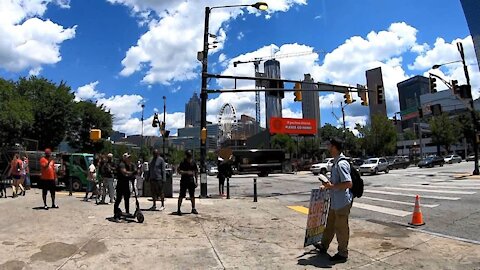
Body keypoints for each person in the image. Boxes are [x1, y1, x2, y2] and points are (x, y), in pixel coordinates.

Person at [314, 138, 352, 263]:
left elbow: (348, 183)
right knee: (329, 225)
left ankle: (343, 253)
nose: (328, 147)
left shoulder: (341, 164)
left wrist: (331, 187)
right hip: (335, 202)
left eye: (329, 145)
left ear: (334, 147)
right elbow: (335, 183)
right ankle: (324, 246)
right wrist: (326, 186)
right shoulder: (335, 162)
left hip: (342, 203)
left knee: (341, 228)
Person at [113, 153, 136, 220]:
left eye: (129, 158)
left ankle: (127, 212)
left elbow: (134, 169)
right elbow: (124, 172)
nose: (129, 159)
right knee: (119, 199)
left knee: (127, 198)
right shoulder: (121, 164)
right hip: (120, 184)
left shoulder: (129, 165)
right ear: (124, 158)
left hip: (126, 183)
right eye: (127, 158)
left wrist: (134, 172)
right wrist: (132, 173)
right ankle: (115, 213)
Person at [176, 150, 199, 215]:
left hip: (191, 180)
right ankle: (178, 209)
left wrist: (196, 181)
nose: (189, 158)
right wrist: (186, 172)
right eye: (188, 156)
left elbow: (196, 172)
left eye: (190, 156)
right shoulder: (183, 162)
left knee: (192, 195)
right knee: (181, 195)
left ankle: (193, 208)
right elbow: (179, 170)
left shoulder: (193, 162)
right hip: (184, 180)